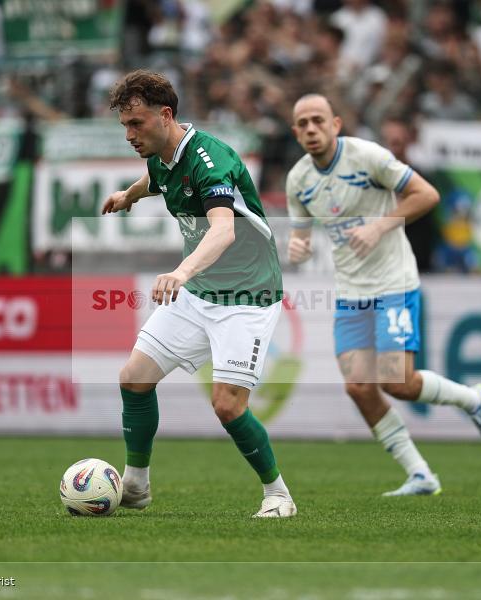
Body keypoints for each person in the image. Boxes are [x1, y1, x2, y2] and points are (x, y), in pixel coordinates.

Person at [285, 94, 481, 496]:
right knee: (358, 386)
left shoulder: (369, 157)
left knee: (398, 382)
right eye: (302, 124)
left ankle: (474, 400)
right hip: (351, 291)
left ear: (336, 124)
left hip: (393, 283)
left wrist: (378, 227)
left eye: (318, 120)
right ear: (295, 132)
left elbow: (426, 194)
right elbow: (300, 235)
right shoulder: (299, 180)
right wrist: (298, 247)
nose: (311, 129)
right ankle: (420, 473)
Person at [102, 70, 296, 518]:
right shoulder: (160, 157)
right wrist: (127, 196)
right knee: (134, 377)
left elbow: (224, 230)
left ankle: (279, 495)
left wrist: (181, 271)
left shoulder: (211, 160)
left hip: (246, 297)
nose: (130, 135)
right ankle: (135, 485)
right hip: (200, 292)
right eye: (125, 126)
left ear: (166, 115)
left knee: (228, 406)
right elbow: (155, 182)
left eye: (137, 124)